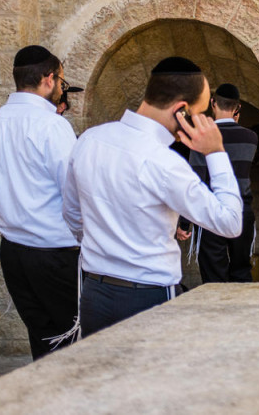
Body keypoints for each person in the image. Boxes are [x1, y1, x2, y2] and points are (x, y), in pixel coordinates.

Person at [63, 57, 243, 337]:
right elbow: (230, 223)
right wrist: (216, 152)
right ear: (181, 111)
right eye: (200, 113)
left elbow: (73, 216)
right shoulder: (163, 162)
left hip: (93, 293)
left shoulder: (89, 140)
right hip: (148, 298)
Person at [0, 45, 79, 360]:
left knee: (43, 341)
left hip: (12, 252)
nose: (62, 87)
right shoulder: (51, 125)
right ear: (49, 79)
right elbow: (74, 192)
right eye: (62, 81)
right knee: (74, 342)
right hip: (54, 253)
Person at [177, 83, 258, 283]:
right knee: (241, 270)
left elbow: (195, 179)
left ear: (213, 103)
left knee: (214, 275)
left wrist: (185, 223)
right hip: (242, 211)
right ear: (237, 108)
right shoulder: (251, 138)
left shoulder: (201, 138)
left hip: (211, 212)